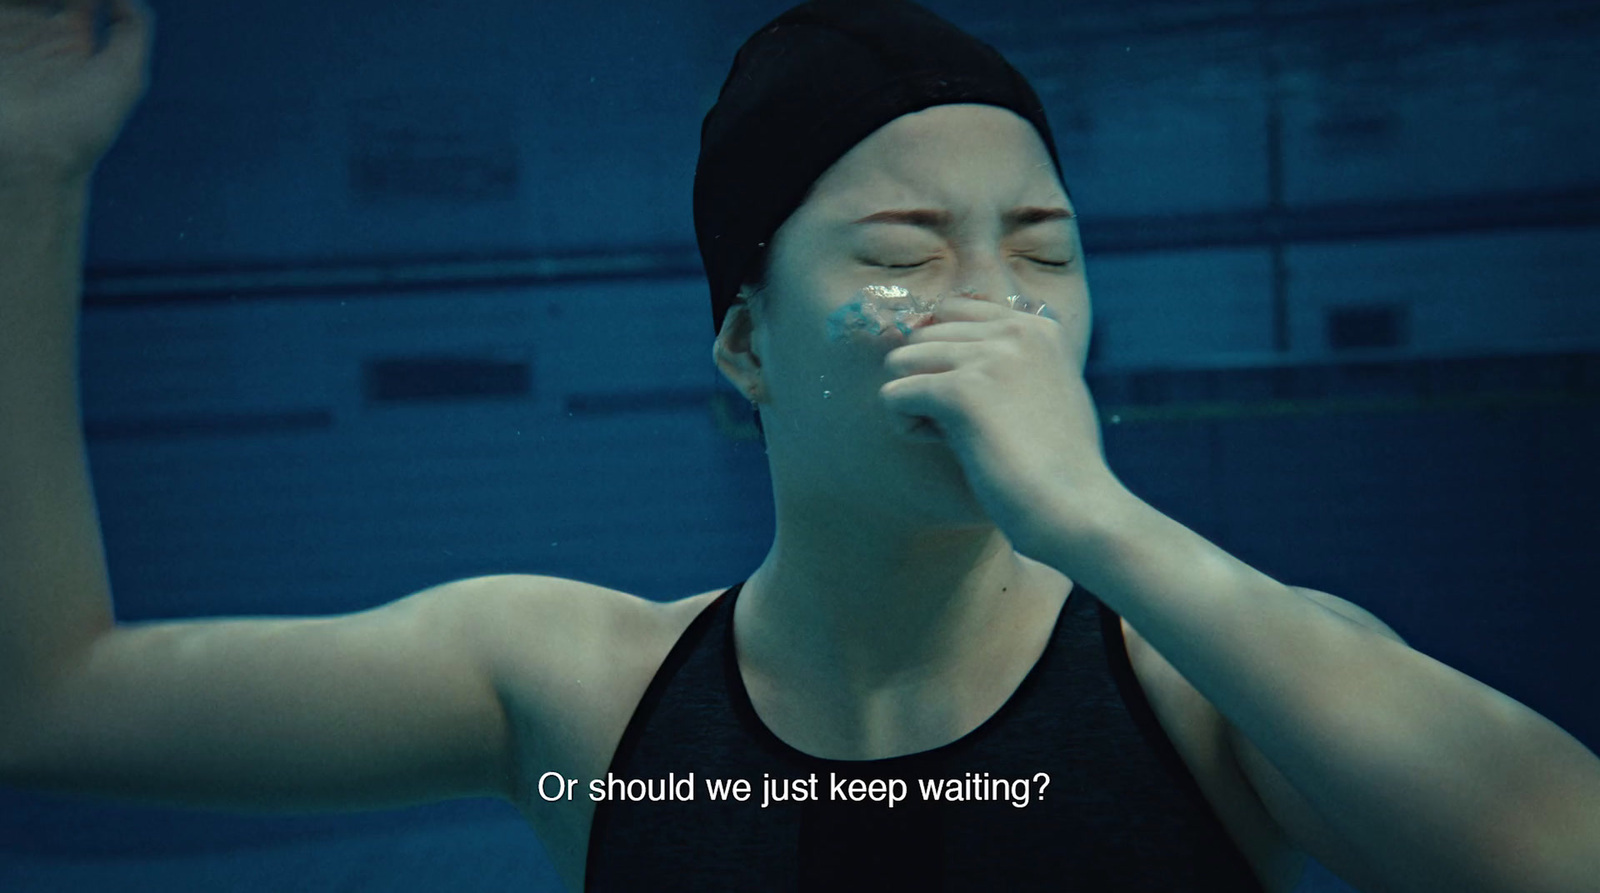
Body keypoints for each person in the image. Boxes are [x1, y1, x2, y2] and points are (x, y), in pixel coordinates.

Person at [2, 1, 1597, 892]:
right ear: (746, 338)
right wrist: (29, 178)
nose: (997, 311)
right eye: (903, 249)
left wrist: (1100, 525)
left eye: (1043, 252)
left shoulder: (1204, 685)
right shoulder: (580, 697)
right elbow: (46, 699)